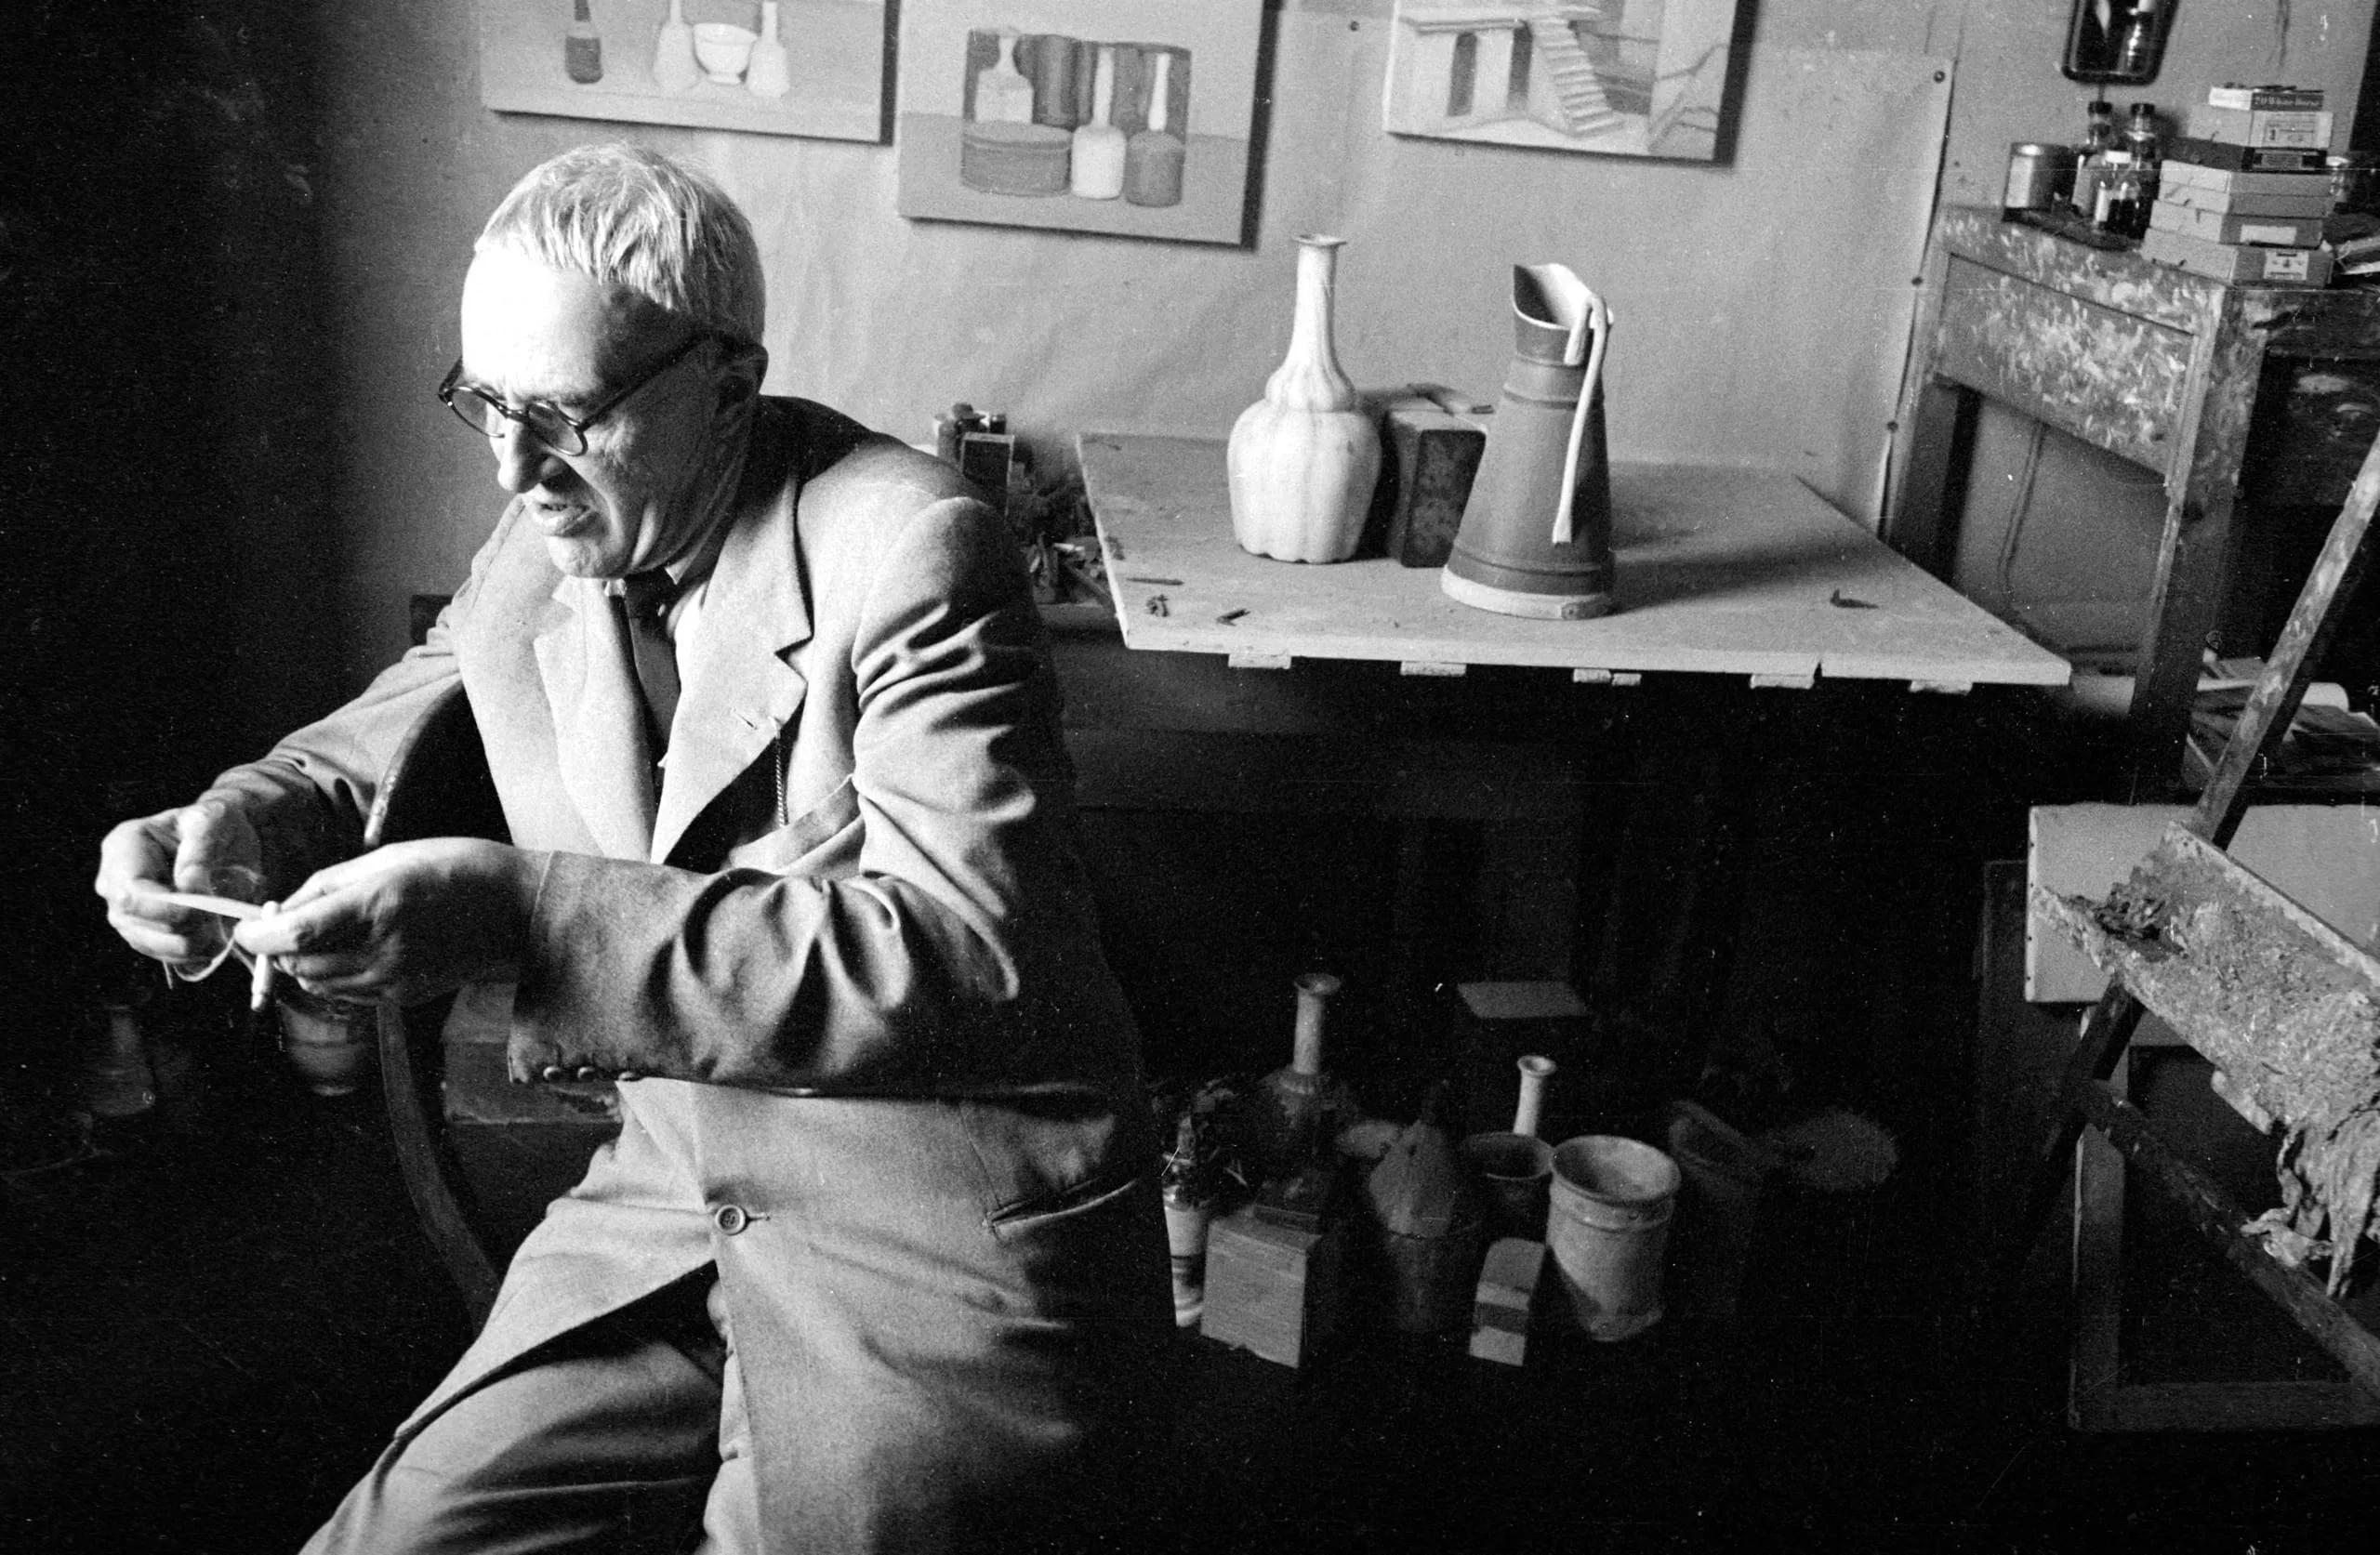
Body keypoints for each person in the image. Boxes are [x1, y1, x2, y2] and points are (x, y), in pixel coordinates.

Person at [93, 143, 1171, 1553]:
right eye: (486, 404)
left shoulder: (913, 544)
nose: (513, 468)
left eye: (566, 415)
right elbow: (386, 732)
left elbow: (966, 957)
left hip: (930, 1219)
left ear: (728, 383)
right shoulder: (550, 534)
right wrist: (240, 819)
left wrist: (527, 917)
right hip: (676, 1187)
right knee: (395, 1534)